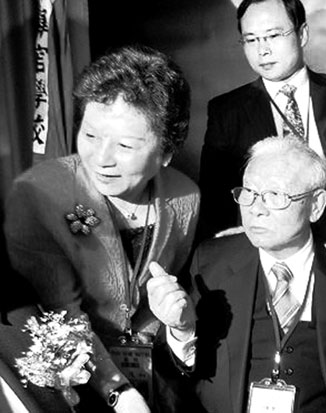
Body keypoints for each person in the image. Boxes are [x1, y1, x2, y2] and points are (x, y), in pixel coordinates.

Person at [4, 45, 200, 413]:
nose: (101, 158)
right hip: (71, 381)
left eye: (125, 145)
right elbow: (63, 312)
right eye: (91, 136)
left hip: (154, 375)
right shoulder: (39, 194)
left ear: (166, 152)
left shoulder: (185, 196)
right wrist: (119, 392)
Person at [148, 136, 326, 412]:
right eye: (248, 192)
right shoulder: (213, 262)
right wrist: (181, 330)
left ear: (316, 205)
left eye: (275, 196)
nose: (256, 209)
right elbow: (178, 374)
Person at [197, 0, 326, 241]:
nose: (263, 50)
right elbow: (216, 204)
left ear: (302, 34)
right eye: (251, 39)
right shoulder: (227, 111)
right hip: (270, 246)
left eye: (273, 35)